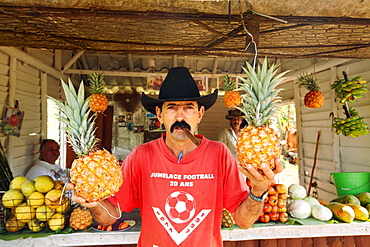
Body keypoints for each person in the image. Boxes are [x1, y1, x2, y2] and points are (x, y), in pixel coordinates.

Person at [68, 67, 282, 246]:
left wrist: (259, 190)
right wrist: (94, 203)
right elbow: (112, 215)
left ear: (200, 114)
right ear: (159, 115)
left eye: (189, 108)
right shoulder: (142, 156)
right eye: (171, 108)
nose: (180, 116)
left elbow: (243, 221)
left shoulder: (220, 154)